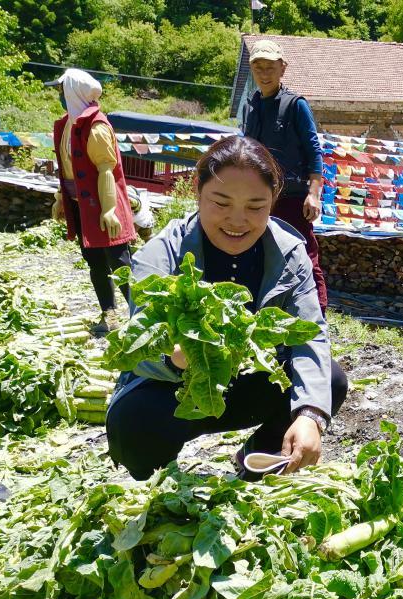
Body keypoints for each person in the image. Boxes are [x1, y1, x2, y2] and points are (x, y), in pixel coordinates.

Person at [105, 135, 348, 481]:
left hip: (246, 383)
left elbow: (310, 336)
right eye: (220, 202)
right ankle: (158, 480)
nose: (237, 221)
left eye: (255, 206)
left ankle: (255, 460)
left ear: (273, 202)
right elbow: (136, 347)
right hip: (174, 389)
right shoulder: (161, 254)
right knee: (131, 424)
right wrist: (176, 357)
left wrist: (311, 415)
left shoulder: (291, 254)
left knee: (331, 381)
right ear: (198, 194)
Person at [240, 39, 328, 314]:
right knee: (257, 253)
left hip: (292, 197)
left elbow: (314, 151)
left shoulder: (296, 105)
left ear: (283, 69)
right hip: (259, 198)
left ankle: (318, 318)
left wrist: (313, 194)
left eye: (270, 67)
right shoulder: (251, 105)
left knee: (304, 255)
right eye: (258, 67)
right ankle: (265, 313)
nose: (264, 73)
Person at [47, 69, 136, 334]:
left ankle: (141, 312)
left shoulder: (96, 127)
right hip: (81, 205)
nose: (59, 96)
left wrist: (109, 209)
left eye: (61, 91)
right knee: (94, 261)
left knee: (120, 262)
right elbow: (67, 168)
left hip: (102, 204)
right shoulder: (66, 125)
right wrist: (62, 199)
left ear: (72, 93)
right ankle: (109, 314)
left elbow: (106, 170)